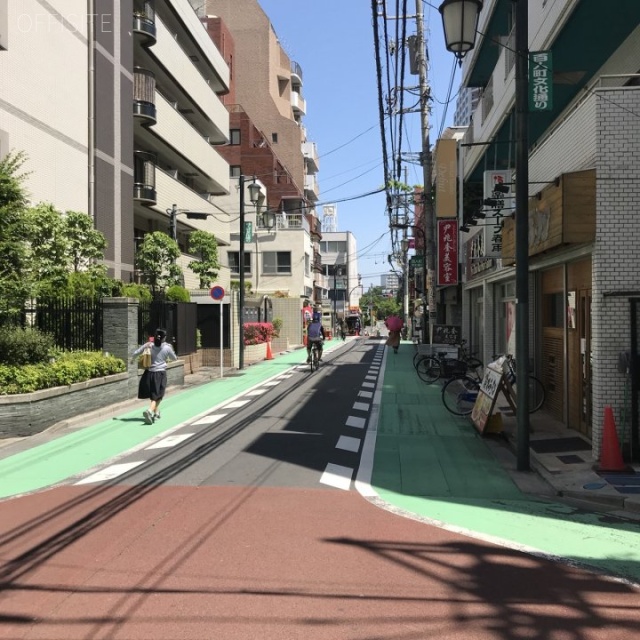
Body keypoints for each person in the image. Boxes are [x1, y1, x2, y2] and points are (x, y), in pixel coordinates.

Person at [131, 328, 178, 424]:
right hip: (160, 374)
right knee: (159, 395)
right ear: (164, 338)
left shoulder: (149, 345)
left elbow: (135, 353)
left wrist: (132, 360)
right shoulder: (167, 347)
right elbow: (174, 359)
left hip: (148, 374)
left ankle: (156, 412)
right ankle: (149, 411)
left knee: (154, 394)